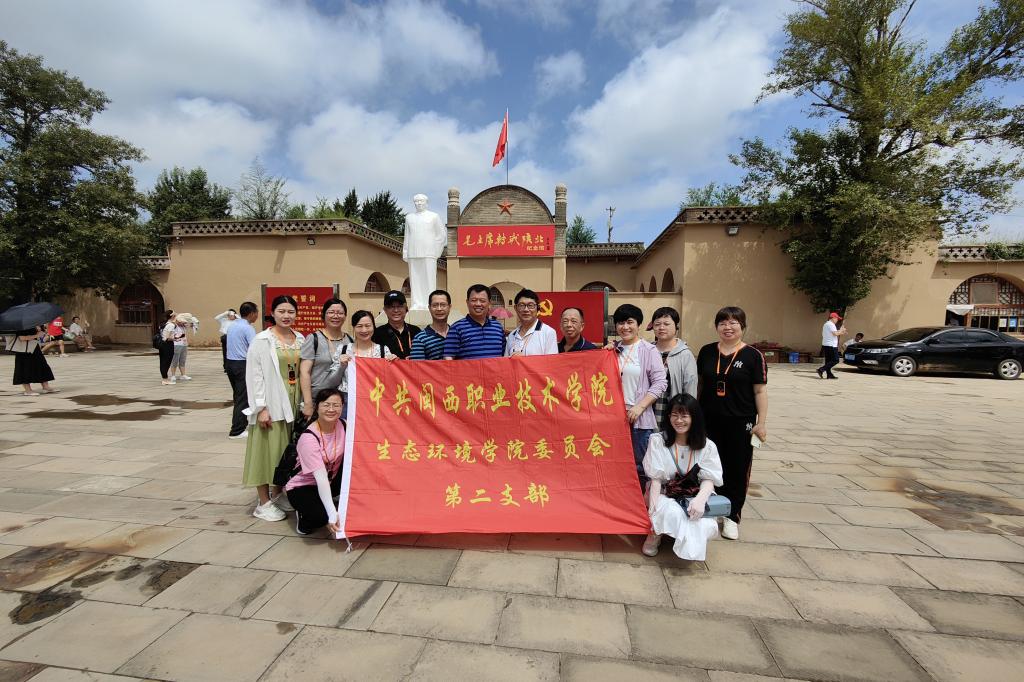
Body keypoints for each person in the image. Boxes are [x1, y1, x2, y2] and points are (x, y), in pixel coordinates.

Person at [696, 306, 768, 541]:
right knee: (706, 467)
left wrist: (761, 422)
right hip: (709, 420)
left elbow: (759, 392)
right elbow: (700, 385)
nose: (727, 327)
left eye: (733, 322)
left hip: (740, 422)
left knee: (736, 469)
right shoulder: (707, 352)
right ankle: (708, 509)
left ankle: (732, 516)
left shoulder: (753, 356)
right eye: (722, 323)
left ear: (742, 326)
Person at [243, 295, 305, 522]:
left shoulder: (300, 338)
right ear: (273, 313)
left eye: (291, 312)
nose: (286, 316)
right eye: (282, 311)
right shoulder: (262, 340)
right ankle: (263, 502)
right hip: (272, 401)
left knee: (285, 452)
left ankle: (278, 494)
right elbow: (254, 375)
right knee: (265, 452)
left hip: (293, 401)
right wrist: (261, 408)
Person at [642, 393, 723, 560]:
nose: (679, 421)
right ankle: (655, 533)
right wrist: (653, 511)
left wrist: (700, 500)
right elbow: (656, 480)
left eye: (684, 416)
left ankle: (688, 544)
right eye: (674, 415)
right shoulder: (657, 441)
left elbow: (709, 479)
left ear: (694, 418)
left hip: (694, 493)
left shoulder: (707, 446)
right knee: (671, 511)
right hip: (665, 492)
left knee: (699, 520)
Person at [610, 304, 668, 490]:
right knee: (615, 463)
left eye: (630, 322)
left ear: (638, 324)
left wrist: (640, 407)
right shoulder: (612, 350)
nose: (625, 327)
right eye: (620, 323)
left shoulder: (648, 350)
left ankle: (640, 503)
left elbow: (660, 383)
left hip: (638, 418)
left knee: (639, 466)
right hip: (614, 418)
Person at [285, 387, 346, 535]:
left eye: (336, 405)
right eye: (326, 405)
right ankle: (303, 516)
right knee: (321, 517)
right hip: (304, 486)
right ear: (317, 407)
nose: (331, 409)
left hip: (331, 480)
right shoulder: (309, 438)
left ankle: (327, 500)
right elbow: (320, 478)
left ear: (342, 407)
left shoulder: (344, 425)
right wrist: (331, 513)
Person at [299, 298, 354, 421]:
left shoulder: (350, 340)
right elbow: (304, 372)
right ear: (323, 315)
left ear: (345, 316)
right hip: (317, 401)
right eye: (331, 312)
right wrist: (308, 403)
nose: (336, 316)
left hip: (341, 402)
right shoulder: (313, 339)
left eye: (340, 313)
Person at [650, 307, 698, 427]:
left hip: (673, 414)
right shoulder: (646, 350)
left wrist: (686, 415)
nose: (661, 327)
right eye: (657, 324)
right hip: (646, 413)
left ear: (676, 326)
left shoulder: (685, 354)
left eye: (666, 324)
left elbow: (690, 388)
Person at [402, 194, 447, 310]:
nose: (419, 203)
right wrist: (405, 251)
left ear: (426, 203)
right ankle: (416, 303)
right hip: (413, 252)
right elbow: (407, 235)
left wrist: (436, 251)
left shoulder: (434, 216)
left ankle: (430, 302)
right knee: (415, 279)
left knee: (429, 279)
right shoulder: (409, 217)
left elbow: (441, 235)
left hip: (429, 252)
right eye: (416, 201)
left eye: (421, 201)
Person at [444, 284, 507, 360]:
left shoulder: (498, 327)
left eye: (482, 301)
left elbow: (505, 355)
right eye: (474, 300)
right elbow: (448, 358)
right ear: (467, 302)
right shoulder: (456, 328)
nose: (478, 304)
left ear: (489, 303)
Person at [225, 302, 259, 439]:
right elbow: (255, 348)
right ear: (251, 313)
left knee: (238, 396)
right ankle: (237, 430)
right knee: (243, 397)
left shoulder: (233, 325)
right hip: (242, 364)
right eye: (256, 313)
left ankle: (241, 424)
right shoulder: (248, 328)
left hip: (230, 363)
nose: (257, 315)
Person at [505, 289, 558, 356]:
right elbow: (506, 360)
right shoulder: (512, 335)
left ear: (537, 308)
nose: (526, 309)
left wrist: (525, 360)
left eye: (530, 305)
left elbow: (552, 361)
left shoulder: (548, 332)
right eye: (522, 305)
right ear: (515, 308)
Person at [372, 291, 420, 359]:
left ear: (406, 308)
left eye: (400, 306)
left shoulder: (416, 331)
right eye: (391, 307)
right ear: (385, 310)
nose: (396, 310)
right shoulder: (377, 334)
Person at [8, 329, 57, 395]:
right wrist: (37, 335)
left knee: (42, 365)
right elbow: (22, 338)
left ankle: (46, 386)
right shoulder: (20, 326)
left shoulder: (31, 324)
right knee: (25, 368)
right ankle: (28, 390)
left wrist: (39, 331)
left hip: (34, 347)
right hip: (23, 350)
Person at [410, 290, 451, 360]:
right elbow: (417, 366)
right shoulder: (420, 339)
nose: (439, 309)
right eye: (435, 305)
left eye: (443, 305)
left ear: (449, 307)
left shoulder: (457, 334)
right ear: (429, 308)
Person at [163, 313, 196, 383]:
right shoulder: (173, 325)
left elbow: (191, 324)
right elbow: (169, 335)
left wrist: (192, 322)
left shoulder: (183, 326)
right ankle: (173, 375)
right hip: (176, 344)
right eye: (181, 322)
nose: (182, 323)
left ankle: (183, 375)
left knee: (182, 360)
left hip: (184, 344)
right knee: (175, 360)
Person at [817, 312, 847, 379]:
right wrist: (841, 331)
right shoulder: (831, 324)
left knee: (828, 361)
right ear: (833, 318)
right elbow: (835, 334)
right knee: (836, 360)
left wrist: (841, 331)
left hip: (826, 345)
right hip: (831, 345)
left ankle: (829, 375)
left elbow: (834, 333)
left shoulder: (826, 324)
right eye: (837, 318)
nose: (837, 320)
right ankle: (821, 369)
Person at [158, 311, 176, 385]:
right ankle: (165, 380)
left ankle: (164, 378)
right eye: (174, 314)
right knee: (167, 362)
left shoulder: (163, 324)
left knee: (162, 362)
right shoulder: (171, 325)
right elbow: (168, 338)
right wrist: (175, 339)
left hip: (162, 344)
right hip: (168, 345)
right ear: (172, 316)